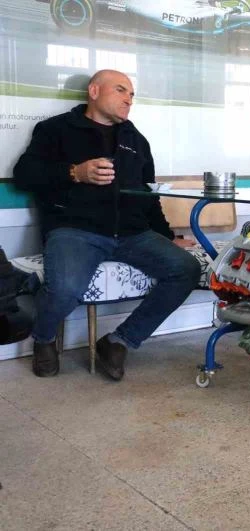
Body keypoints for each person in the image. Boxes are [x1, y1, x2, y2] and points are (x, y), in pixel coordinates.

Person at [13, 69, 201, 381]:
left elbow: (148, 196)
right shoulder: (55, 130)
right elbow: (25, 175)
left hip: (132, 233)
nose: (129, 98)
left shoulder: (136, 140)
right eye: (121, 90)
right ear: (94, 91)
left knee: (186, 269)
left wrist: (166, 237)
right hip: (74, 230)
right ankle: (44, 339)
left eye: (132, 94)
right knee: (67, 288)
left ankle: (118, 341)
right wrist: (76, 172)